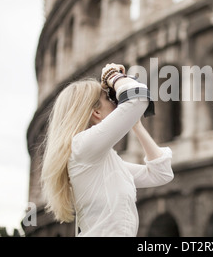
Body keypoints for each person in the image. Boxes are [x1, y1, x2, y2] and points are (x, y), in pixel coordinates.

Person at [40, 63, 174, 237]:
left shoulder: (99, 159)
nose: (116, 102)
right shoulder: (81, 147)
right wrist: (112, 76)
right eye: (109, 99)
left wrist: (136, 125)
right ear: (96, 112)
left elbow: (161, 174)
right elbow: (138, 97)